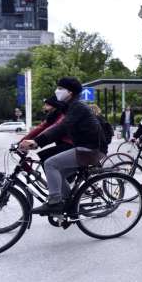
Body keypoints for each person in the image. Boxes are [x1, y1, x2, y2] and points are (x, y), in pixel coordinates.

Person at [18, 77, 106, 215]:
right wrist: (34, 141)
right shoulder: (69, 107)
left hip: (90, 150)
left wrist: (36, 142)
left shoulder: (77, 107)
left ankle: (55, 202)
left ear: (70, 92)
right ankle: (70, 204)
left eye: (60, 88)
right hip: (85, 148)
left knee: (50, 164)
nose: (56, 91)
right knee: (59, 173)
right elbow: (53, 127)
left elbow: (62, 128)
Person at [21, 97, 73, 163]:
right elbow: (40, 128)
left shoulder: (62, 116)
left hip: (72, 144)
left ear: (55, 106)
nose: (44, 107)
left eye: (47, 105)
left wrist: (35, 141)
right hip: (64, 143)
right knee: (47, 158)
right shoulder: (52, 116)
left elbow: (52, 130)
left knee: (45, 157)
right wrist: (21, 141)